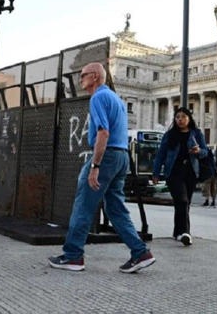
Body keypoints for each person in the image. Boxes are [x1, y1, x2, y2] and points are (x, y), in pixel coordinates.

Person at [48, 62, 155, 273]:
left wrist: (95, 165)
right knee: (115, 209)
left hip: (106, 157)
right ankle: (140, 252)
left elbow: (103, 132)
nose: (80, 79)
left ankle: (73, 256)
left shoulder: (98, 97)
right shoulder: (116, 99)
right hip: (121, 156)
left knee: (83, 205)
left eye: (83, 75)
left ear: (95, 76)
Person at [152, 107, 209, 246]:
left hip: (190, 172)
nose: (180, 120)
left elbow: (205, 152)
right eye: (177, 117)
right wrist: (156, 173)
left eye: (183, 117)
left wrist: (198, 151)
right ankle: (185, 233)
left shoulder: (196, 133)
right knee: (182, 201)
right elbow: (160, 155)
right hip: (173, 172)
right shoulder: (169, 135)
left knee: (184, 203)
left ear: (189, 118)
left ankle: (177, 232)